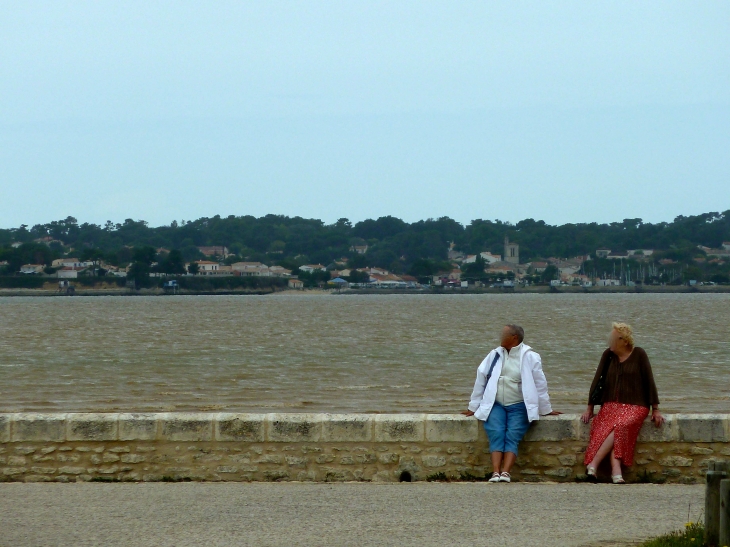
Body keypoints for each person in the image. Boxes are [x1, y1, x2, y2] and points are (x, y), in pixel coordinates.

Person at [462, 324, 561, 483]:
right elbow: (481, 379)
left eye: (504, 334)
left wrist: (545, 409)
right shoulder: (494, 355)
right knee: (496, 432)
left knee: (512, 435)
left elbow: (540, 384)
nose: (500, 337)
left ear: (514, 338)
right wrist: (473, 407)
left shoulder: (530, 357)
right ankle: (495, 472)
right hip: (496, 404)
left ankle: (505, 473)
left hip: (519, 405)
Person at [582, 322, 664, 484]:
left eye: (614, 338)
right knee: (608, 426)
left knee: (621, 425)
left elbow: (649, 381)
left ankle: (594, 464)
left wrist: (655, 409)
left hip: (636, 405)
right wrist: (590, 407)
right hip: (611, 405)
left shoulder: (639, 354)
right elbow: (597, 380)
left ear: (624, 341)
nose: (610, 341)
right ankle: (616, 471)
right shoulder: (608, 355)